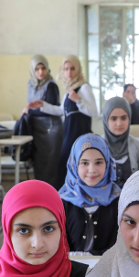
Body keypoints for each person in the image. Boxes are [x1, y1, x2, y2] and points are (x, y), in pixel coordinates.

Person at [30, 55, 98, 189]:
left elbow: (94, 112)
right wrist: (42, 105)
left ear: (78, 69)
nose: (69, 72)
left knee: (70, 170)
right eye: (66, 69)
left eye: (72, 68)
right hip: (68, 137)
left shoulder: (84, 88)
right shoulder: (69, 92)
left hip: (81, 138)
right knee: (65, 169)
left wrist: (78, 100)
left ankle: (67, 204)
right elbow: (62, 111)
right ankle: (63, 204)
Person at [59, 133, 121, 255]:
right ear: (74, 164)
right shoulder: (62, 202)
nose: (92, 170)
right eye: (85, 163)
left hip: (108, 269)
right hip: (70, 270)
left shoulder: (117, 200)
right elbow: (58, 246)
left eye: (98, 162)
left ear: (107, 164)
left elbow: (118, 245)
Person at [16, 55, 63, 187]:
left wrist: (28, 111)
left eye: (43, 68)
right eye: (37, 69)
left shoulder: (51, 85)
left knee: (50, 166)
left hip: (50, 131)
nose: (41, 72)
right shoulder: (31, 84)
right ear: (32, 70)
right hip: (36, 130)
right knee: (39, 165)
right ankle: (40, 198)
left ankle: (52, 200)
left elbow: (52, 108)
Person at [101, 97, 139, 189]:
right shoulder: (96, 147)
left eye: (124, 118)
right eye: (113, 119)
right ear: (106, 120)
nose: (119, 123)